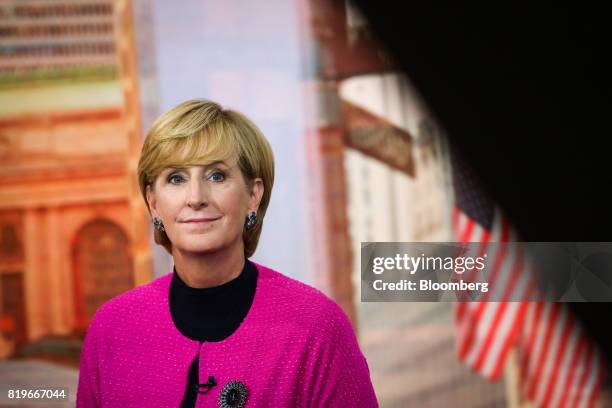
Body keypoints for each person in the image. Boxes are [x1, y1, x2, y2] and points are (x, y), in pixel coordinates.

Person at [76, 99, 378, 407]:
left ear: (253, 196)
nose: (195, 198)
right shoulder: (111, 330)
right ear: (154, 204)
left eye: (216, 176)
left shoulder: (318, 329)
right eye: (176, 178)